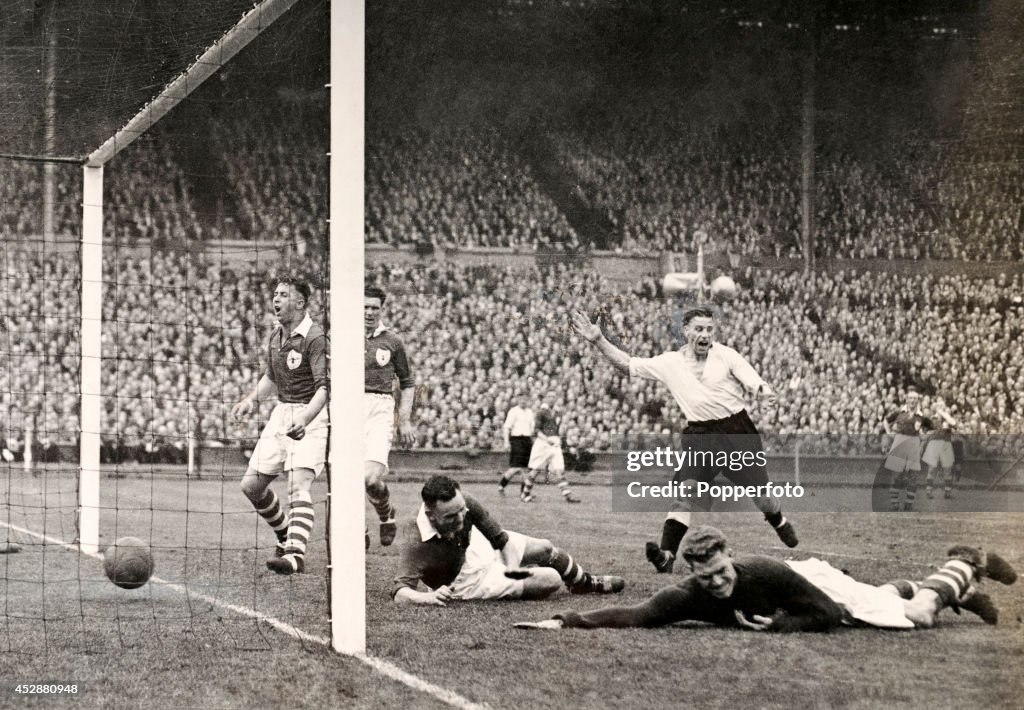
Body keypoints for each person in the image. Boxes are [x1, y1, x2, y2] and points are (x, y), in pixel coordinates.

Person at [570, 306, 797, 575]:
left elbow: (754, 381)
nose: (705, 334)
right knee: (684, 491)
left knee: (763, 497)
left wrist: (765, 392)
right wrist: (598, 340)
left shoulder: (726, 355)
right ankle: (667, 555)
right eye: (698, 329)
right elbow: (628, 364)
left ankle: (778, 519)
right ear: (686, 331)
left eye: (709, 329)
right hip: (700, 434)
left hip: (737, 431)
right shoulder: (670, 363)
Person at [514, 525, 1018, 631]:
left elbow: (824, 613)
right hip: (809, 588)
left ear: (731, 558)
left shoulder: (766, 572)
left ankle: (963, 565)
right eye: (704, 577)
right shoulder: (691, 591)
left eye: (720, 572)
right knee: (878, 596)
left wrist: (781, 624)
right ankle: (962, 585)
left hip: (814, 586)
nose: (714, 583)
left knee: (919, 616)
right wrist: (568, 619)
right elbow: (641, 614)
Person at [392, 475, 624, 605]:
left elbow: (501, 540)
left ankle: (583, 583)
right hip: (467, 581)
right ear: (431, 515)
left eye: (461, 510)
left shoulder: (465, 503)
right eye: (451, 516)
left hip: (476, 547)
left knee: (545, 548)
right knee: (552, 579)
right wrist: (427, 597)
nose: (461, 518)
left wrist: (512, 568)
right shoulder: (416, 540)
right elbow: (400, 592)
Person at [231, 277, 328, 575]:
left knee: (298, 485)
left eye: (283, 295)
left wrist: (306, 418)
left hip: (311, 414)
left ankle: (295, 556)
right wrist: (251, 400)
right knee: (251, 486)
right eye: (275, 294)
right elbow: (271, 377)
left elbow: (325, 387)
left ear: (300, 302)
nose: (276, 299)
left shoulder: (315, 337)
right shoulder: (276, 335)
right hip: (281, 413)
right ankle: (285, 534)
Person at [364, 285, 416, 547]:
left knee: (371, 479)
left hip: (380, 408)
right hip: (347, 407)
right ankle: (357, 526)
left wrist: (404, 420)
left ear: (381, 310)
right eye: (365, 307)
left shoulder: (393, 341)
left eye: (374, 307)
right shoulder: (340, 336)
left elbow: (407, 383)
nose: (369, 312)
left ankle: (386, 514)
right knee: (345, 475)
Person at [520, 398, 581, 504]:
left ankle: (568, 496)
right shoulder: (541, 412)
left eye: (554, 397)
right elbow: (536, 430)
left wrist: (563, 439)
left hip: (555, 444)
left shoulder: (558, 413)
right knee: (536, 470)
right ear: (546, 399)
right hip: (543, 444)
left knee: (559, 470)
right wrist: (547, 440)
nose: (552, 399)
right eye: (550, 397)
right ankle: (525, 494)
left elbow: (558, 431)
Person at [883, 387, 926, 511]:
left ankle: (909, 503)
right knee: (896, 474)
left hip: (913, 443)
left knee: (913, 475)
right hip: (900, 442)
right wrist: (888, 432)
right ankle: (894, 503)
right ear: (906, 400)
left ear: (917, 401)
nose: (912, 401)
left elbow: (925, 431)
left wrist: (922, 441)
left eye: (915, 399)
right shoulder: (899, 412)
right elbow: (886, 420)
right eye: (910, 398)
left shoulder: (921, 415)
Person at [498, 391, 535, 495]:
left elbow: (532, 429)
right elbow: (506, 427)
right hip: (517, 440)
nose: (523, 401)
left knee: (526, 468)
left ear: (528, 400)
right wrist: (506, 442)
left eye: (525, 399)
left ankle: (522, 491)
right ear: (518, 400)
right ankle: (502, 485)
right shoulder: (513, 411)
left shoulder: (530, 412)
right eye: (521, 399)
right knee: (516, 468)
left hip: (527, 441)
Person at [921, 397, 958, 500]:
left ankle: (947, 492)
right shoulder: (933, 419)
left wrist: (945, 416)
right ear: (936, 407)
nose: (941, 408)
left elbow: (954, 424)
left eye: (943, 406)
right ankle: (929, 491)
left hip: (946, 444)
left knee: (948, 469)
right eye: (939, 406)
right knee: (932, 468)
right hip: (934, 444)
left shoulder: (948, 419)